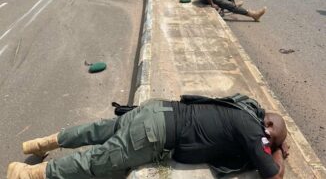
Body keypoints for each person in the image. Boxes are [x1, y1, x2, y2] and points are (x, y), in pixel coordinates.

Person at [7, 94, 289, 179]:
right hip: (155, 134)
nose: (268, 140)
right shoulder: (254, 130)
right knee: (96, 161)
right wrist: (279, 149)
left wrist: (277, 140)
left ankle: (40, 144)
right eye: (272, 136)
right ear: (267, 127)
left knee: (97, 130)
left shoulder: (240, 107)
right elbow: (274, 175)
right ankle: (25, 174)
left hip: (156, 110)